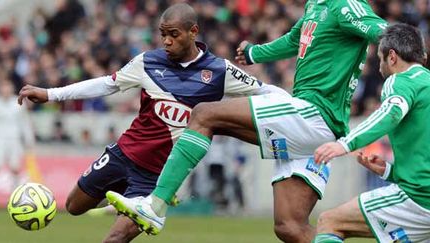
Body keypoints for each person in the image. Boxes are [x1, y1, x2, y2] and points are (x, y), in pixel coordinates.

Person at [105, 1, 388, 242]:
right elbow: (294, 40)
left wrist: (409, 69)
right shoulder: (317, 5)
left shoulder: (345, 5)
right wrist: (255, 53)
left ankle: (155, 205)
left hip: (314, 114)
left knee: (204, 114)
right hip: (313, 127)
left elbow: (384, 32)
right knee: (290, 228)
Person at [17, 3, 284, 243]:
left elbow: (266, 91)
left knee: (115, 239)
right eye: (163, 34)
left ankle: (146, 201)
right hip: (122, 154)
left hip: (155, 179)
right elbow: (107, 84)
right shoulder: (147, 61)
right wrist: (51, 93)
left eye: (174, 34)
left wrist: (303, 111)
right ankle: (122, 196)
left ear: (194, 32)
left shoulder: (219, 71)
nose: (166, 41)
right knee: (74, 206)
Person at [312, 23, 430, 243]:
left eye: (380, 58)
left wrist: (344, 144)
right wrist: (389, 172)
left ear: (392, 57)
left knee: (329, 221)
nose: (378, 67)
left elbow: (392, 112)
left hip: (419, 199)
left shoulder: (400, 80)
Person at [0, 80, 35, 190]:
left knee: (15, 167)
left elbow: (25, 122)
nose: (5, 90)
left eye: (7, 87)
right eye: (3, 87)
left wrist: (29, 140)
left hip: (15, 139)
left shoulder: (18, 102)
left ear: (11, 88)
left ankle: (15, 193)